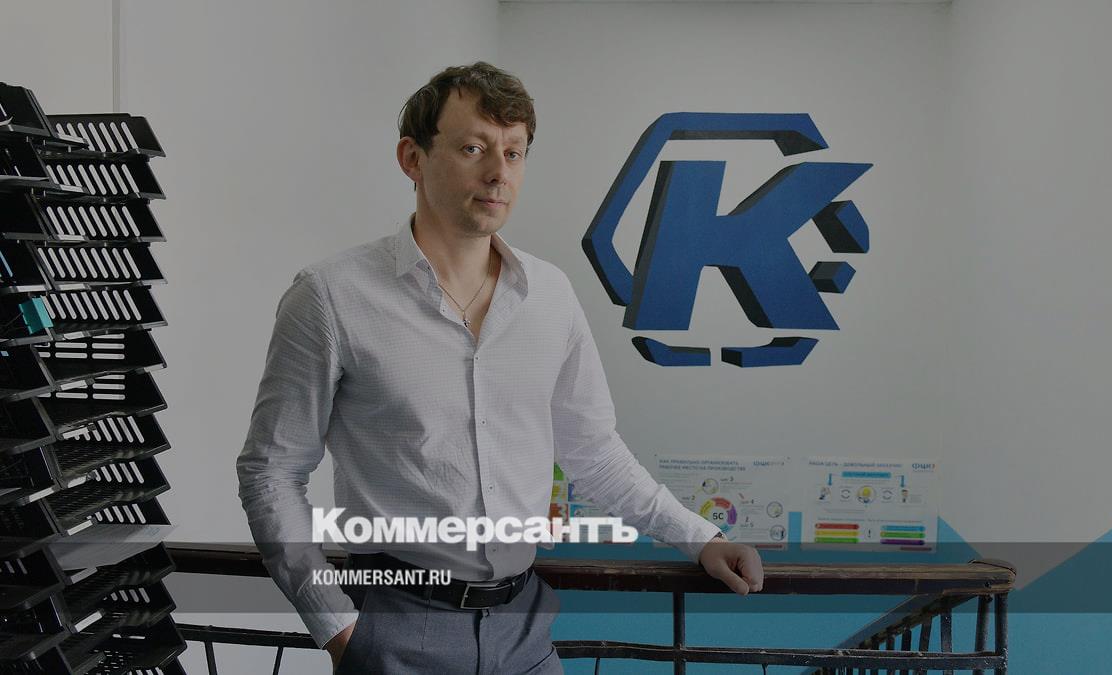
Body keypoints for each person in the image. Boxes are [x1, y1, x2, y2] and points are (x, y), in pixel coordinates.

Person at [236, 61, 764, 674]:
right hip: (395, 624)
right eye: (473, 148)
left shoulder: (551, 295)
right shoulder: (331, 296)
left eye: (514, 153)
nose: (498, 173)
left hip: (524, 628)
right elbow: (272, 471)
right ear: (412, 158)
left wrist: (700, 538)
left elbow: (594, 452)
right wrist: (337, 627)